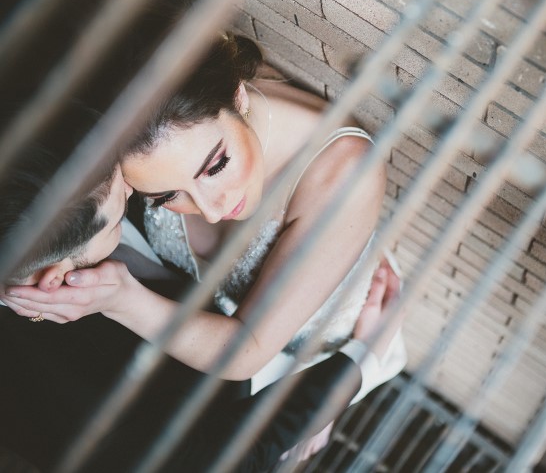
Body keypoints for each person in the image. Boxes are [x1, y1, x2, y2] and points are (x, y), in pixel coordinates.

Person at [0, 110, 403, 471]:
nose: (129, 188)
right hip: (228, 401)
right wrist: (357, 365)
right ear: (55, 278)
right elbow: (234, 456)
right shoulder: (91, 431)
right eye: (113, 218)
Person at [5, 33, 407, 395]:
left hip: (309, 351)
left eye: (215, 166)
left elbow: (247, 351)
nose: (212, 211)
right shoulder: (126, 149)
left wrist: (120, 300)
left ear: (238, 97)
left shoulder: (345, 173)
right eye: (165, 196)